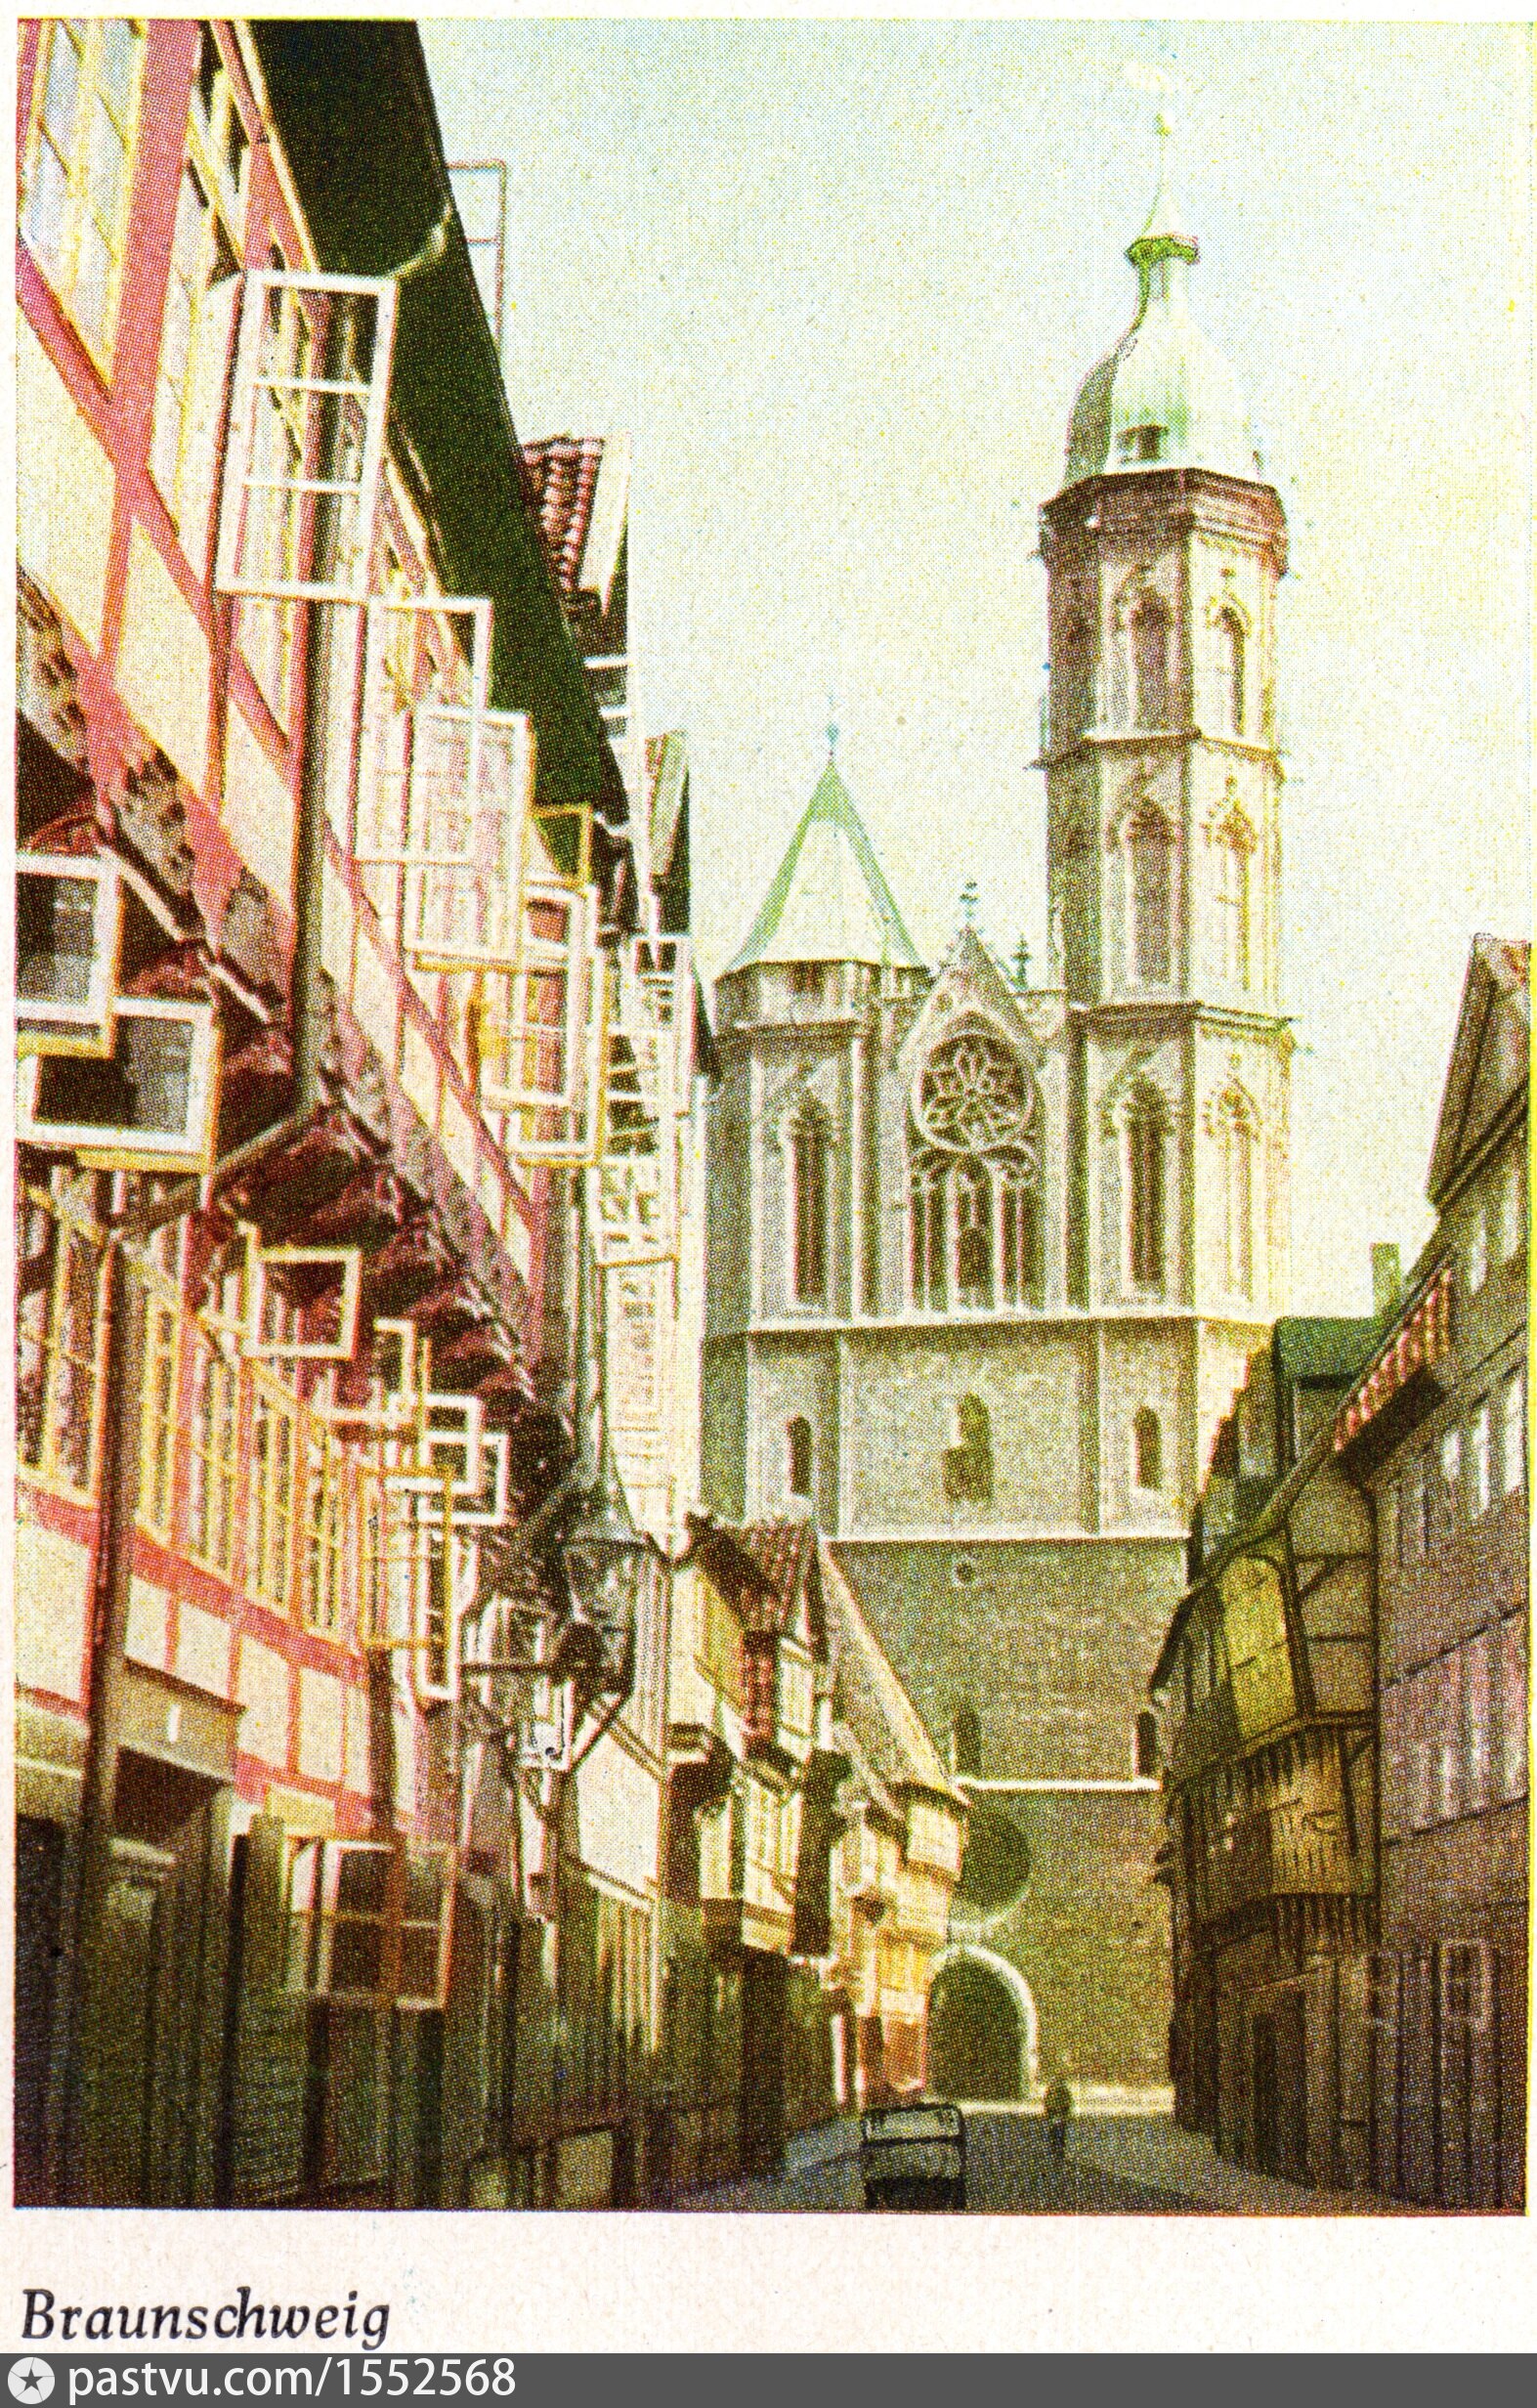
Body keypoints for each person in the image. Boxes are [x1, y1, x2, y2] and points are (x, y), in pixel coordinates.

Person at [1043, 2071, 1073, 2166]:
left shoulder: (1052, 2090)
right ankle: (1058, 2153)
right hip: (1058, 2115)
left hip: (1056, 2115)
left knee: (1056, 2134)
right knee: (1059, 2134)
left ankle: (1056, 2153)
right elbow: (1067, 2103)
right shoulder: (1062, 2090)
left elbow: (1047, 2102)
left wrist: (1049, 2113)